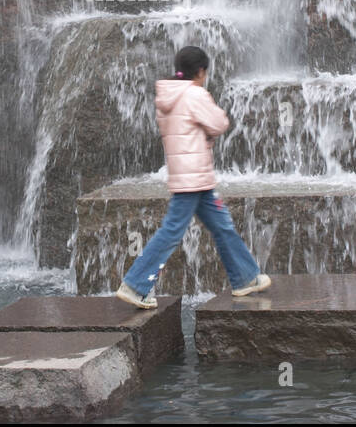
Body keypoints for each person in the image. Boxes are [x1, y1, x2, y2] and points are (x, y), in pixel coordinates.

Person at [115, 45, 271, 308]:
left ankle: (245, 278)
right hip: (193, 177)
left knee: (222, 226)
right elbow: (219, 123)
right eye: (205, 73)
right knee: (173, 231)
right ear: (200, 72)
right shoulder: (194, 95)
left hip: (190, 176)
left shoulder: (169, 97)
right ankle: (136, 284)